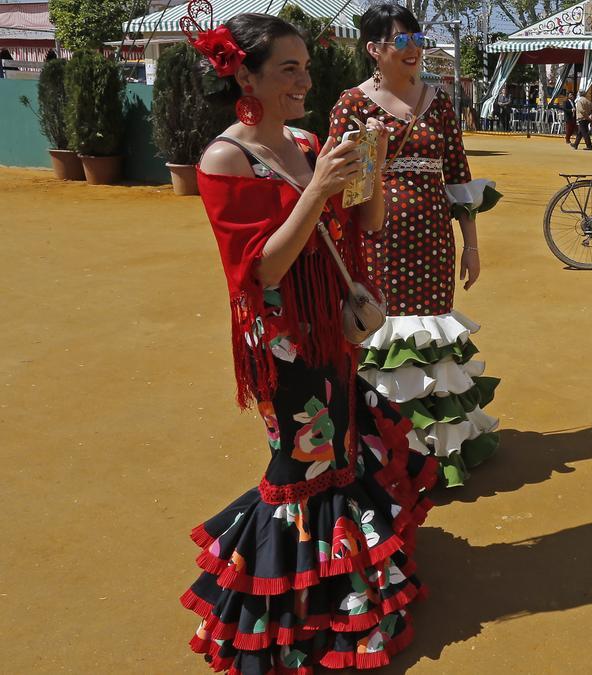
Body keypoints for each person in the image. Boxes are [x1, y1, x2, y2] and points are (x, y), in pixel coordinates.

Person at [183, 13, 436, 671]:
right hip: (281, 340)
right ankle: (273, 611)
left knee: (342, 449)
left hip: (331, 325)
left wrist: (368, 173)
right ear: (245, 75)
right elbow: (261, 267)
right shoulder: (225, 156)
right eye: (287, 68)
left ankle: (340, 589)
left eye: (305, 66)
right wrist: (318, 185)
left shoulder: (305, 138)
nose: (304, 80)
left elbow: (364, 223)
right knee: (300, 465)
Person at [330, 2, 502, 486]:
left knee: (431, 336)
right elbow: (341, 183)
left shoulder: (440, 103)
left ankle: (439, 449)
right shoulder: (352, 104)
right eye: (401, 41)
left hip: (433, 243)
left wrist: (470, 245)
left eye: (418, 40)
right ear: (374, 49)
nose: (414, 50)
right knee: (382, 333)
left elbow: (459, 178)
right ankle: (385, 450)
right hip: (376, 241)